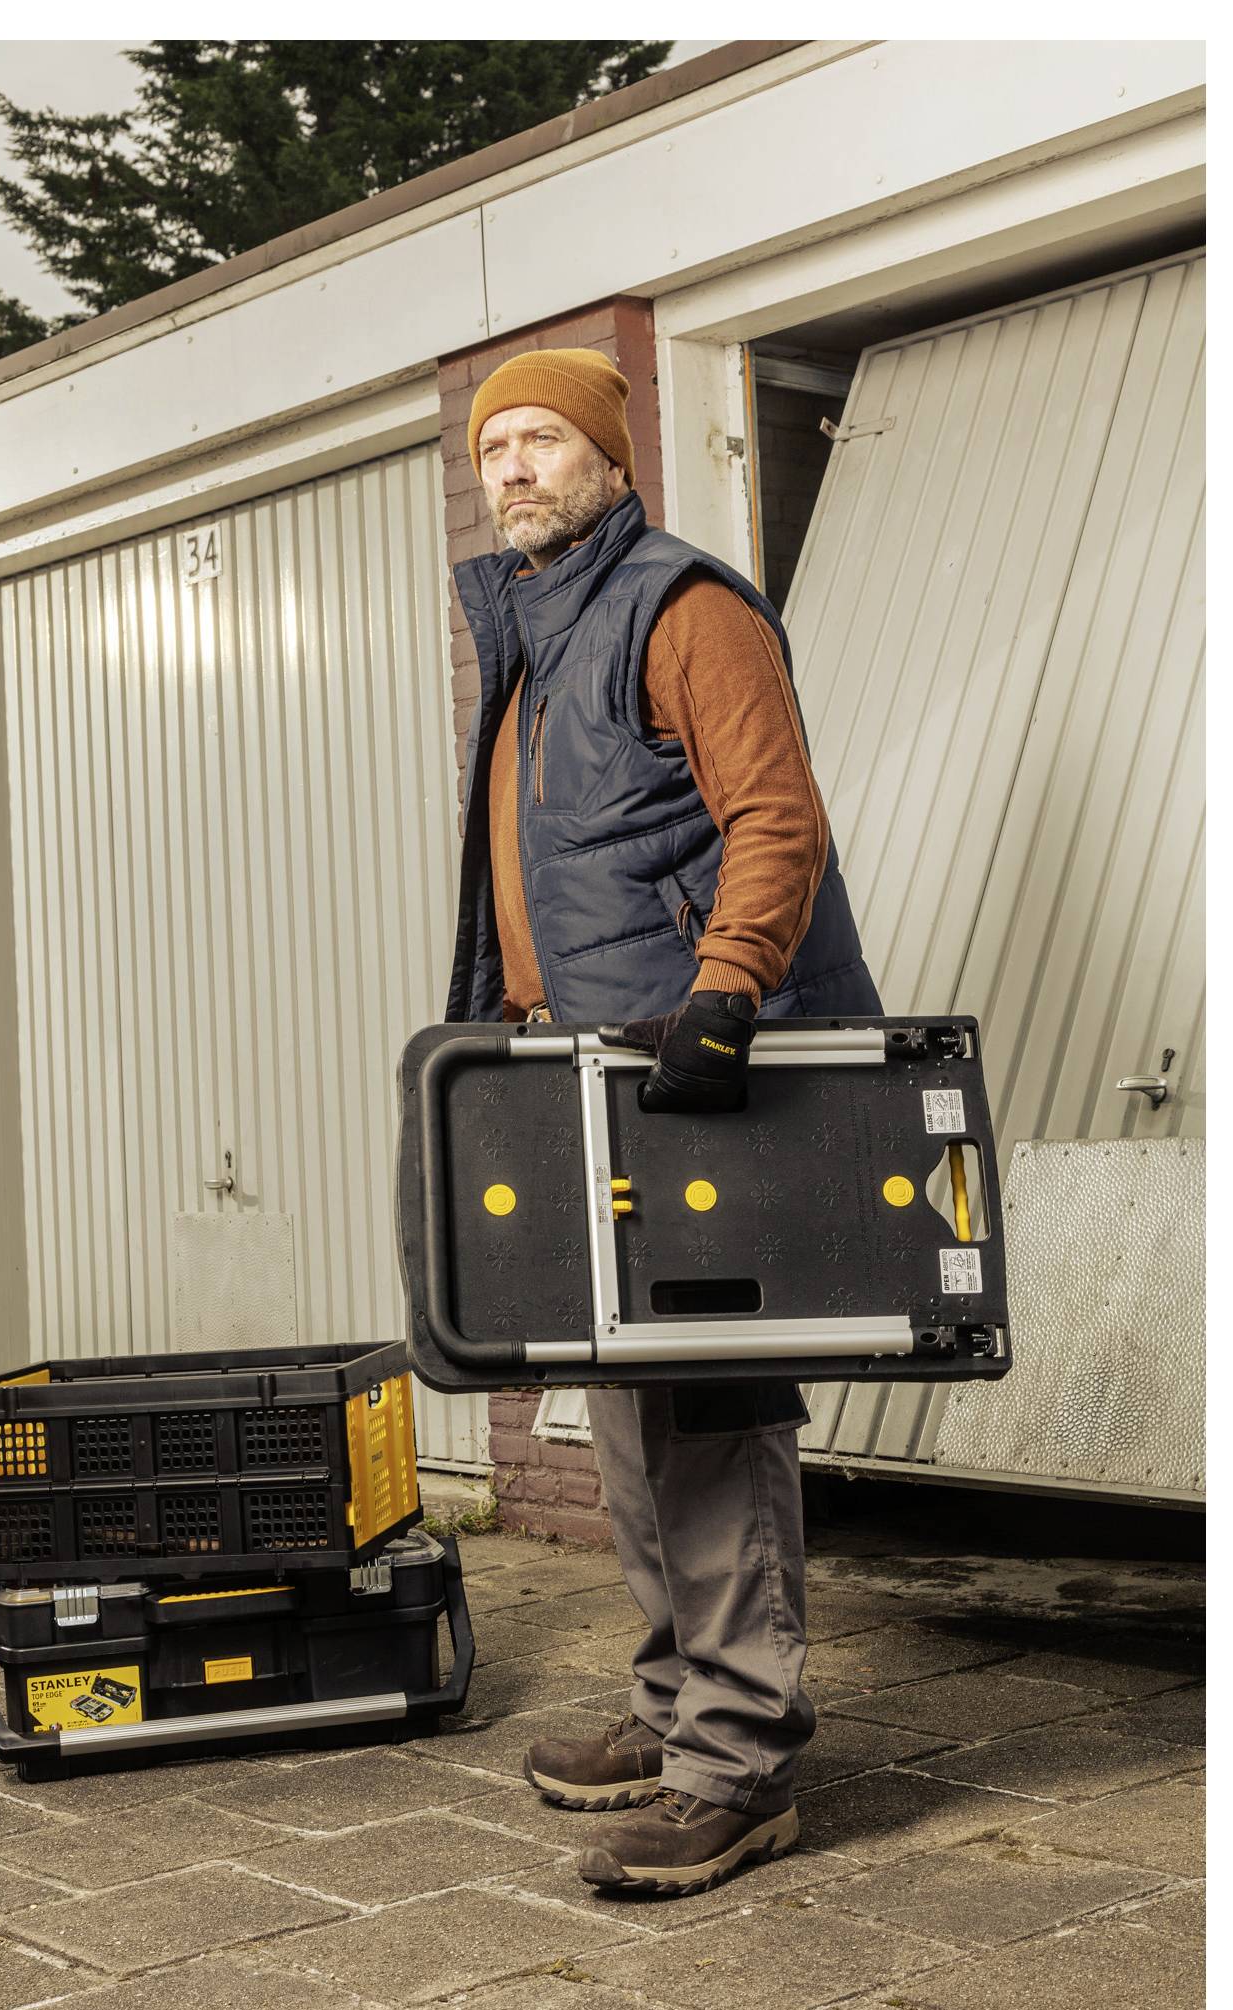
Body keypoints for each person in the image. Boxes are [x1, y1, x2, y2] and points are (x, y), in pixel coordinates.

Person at [446, 347, 882, 1896]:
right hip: (583, 1074)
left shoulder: (679, 606)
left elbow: (774, 814)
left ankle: (736, 1766)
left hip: (693, 1067)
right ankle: (677, 1701)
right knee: (624, 1405)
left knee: (707, 1410)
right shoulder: (539, 628)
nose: (511, 468)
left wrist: (725, 989)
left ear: (611, 461)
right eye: (492, 446)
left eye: (542, 439)